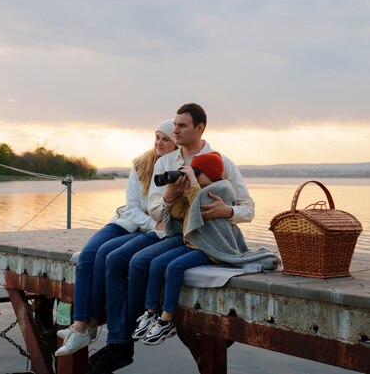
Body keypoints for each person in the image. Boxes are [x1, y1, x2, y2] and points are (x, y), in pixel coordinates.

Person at [89, 103, 256, 374]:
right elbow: (154, 209)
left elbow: (248, 208)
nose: (174, 130)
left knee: (140, 262)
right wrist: (168, 196)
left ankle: (126, 338)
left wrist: (228, 211)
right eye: (174, 125)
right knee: (119, 259)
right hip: (171, 233)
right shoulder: (166, 162)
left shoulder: (221, 162)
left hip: (204, 237)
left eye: (181, 126)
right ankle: (121, 340)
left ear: (200, 128)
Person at [54, 119, 177, 357]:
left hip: (147, 233)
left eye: (166, 139)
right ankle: (81, 325)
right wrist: (154, 223)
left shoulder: (176, 169)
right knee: (87, 256)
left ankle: (88, 324)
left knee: (106, 256)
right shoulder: (141, 164)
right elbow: (131, 208)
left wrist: (155, 227)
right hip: (126, 223)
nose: (159, 143)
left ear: (176, 143)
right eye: (157, 137)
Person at [132, 152, 278, 345]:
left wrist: (192, 185)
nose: (195, 176)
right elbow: (178, 214)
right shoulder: (197, 188)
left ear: (211, 174)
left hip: (212, 249)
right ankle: (150, 312)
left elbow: (198, 208)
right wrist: (175, 192)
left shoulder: (221, 190)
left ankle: (166, 319)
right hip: (194, 244)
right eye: (194, 172)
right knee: (157, 263)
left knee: (174, 268)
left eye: (198, 173)